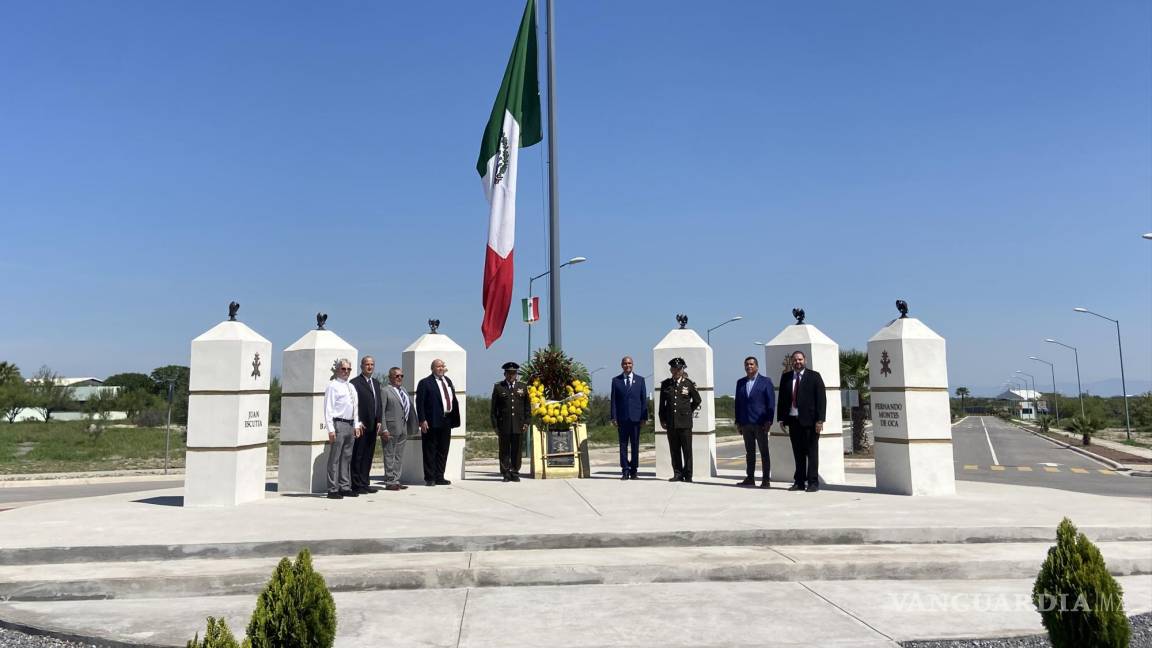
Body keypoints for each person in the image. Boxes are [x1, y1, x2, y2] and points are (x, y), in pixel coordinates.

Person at [777, 350, 827, 492]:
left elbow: (821, 400)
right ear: (792, 362)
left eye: (800, 359)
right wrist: (781, 418)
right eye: (795, 360)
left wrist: (820, 420)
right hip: (793, 421)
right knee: (797, 453)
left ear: (805, 360)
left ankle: (813, 482)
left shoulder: (814, 376)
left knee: (811, 453)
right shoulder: (786, 377)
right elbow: (781, 399)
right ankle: (799, 481)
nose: (797, 362)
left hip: (811, 422)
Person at [416, 358, 460, 486]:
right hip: (431, 421)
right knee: (430, 449)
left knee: (443, 449)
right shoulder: (425, 383)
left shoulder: (448, 381)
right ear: (432, 369)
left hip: (447, 420)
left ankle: (440, 476)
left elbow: (451, 399)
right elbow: (420, 403)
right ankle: (430, 478)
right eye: (438, 366)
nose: (440, 368)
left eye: (442, 366)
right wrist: (422, 420)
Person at [323, 358, 363, 499]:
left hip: (350, 424)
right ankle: (332, 488)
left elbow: (355, 408)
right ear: (338, 370)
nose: (346, 372)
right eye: (343, 369)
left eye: (348, 369)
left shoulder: (351, 387)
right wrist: (330, 429)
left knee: (347, 457)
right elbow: (328, 409)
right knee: (335, 458)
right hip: (338, 424)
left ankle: (344, 486)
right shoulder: (333, 386)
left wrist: (356, 425)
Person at [658, 357, 701, 482]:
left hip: (685, 423)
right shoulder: (666, 384)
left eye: (679, 369)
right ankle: (677, 473)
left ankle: (688, 475)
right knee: (674, 449)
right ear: (671, 369)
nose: (676, 371)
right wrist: (662, 419)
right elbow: (662, 404)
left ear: (682, 369)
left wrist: (688, 411)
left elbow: (697, 400)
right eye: (674, 369)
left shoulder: (688, 384)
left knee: (687, 450)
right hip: (671, 423)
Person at [734, 356, 775, 488]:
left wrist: (769, 420)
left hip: (760, 423)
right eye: (747, 364)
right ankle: (750, 478)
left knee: (764, 452)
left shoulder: (766, 381)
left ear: (757, 366)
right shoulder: (740, 382)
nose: (749, 366)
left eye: (751, 364)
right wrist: (738, 422)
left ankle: (765, 480)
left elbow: (771, 403)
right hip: (745, 423)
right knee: (749, 453)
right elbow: (738, 404)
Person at [609, 356, 648, 480]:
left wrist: (644, 417)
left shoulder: (640, 380)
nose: (627, 365)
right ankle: (625, 470)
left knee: (635, 445)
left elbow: (643, 400)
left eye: (629, 363)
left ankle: (634, 470)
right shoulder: (616, 381)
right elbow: (613, 401)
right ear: (622, 365)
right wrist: (613, 417)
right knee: (623, 445)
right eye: (625, 363)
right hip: (622, 419)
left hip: (636, 419)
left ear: (633, 364)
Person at [490, 361, 529, 482]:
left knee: (517, 450)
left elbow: (527, 407)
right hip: (504, 425)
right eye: (509, 373)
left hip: (518, 424)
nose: (511, 375)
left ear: (516, 374)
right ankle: (506, 472)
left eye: (514, 373)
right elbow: (493, 409)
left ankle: (515, 472)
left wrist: (527, 422)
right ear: (505, 374)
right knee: (504, 450)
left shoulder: (522, 387)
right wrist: (495, 426)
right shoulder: (498, 387)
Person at [349, 356, 383, 494]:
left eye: (372, 364)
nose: (370, 367)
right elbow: (353, 404)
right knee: (358, 454)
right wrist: (357, 422)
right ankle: (356, 484)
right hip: (361, 425)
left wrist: (379, 419)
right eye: (367, 364)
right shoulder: (355, 383)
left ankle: (365, 482)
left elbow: (378, 402)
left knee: (368, 455)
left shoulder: (376, 382)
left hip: (374, 424)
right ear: (362, 366)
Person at [380, 366, 416, 491]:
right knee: (389, 455)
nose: (399, 378)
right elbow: (382, 412)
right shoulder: (385, 391)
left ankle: (396, 479)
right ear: (390, 377)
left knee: (399, 456)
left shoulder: (404, 390)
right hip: (390, 428)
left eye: (401, 376)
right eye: (397, 376)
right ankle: (390, 481)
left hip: (403, 428)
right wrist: (383, 429)